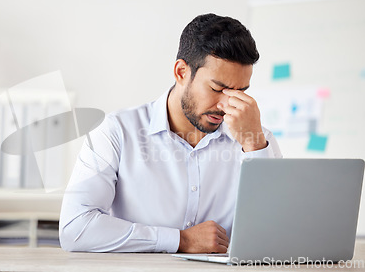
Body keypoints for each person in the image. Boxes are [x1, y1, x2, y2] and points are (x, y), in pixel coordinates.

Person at [59, 13, 282, 254]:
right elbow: (75, 228)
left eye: (240, 92)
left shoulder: (259, 141)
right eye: (217, 88)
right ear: (181, 72)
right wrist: (180, 240)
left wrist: (254, 145)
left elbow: (281, 234)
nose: (226, 104)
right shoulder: (117, 132)